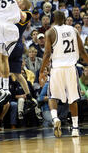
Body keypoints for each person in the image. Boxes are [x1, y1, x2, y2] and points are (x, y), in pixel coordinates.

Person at [40, 10, 88, 138]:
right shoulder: (74, 30)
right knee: (73, 99)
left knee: (52, 97)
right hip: (71, 68)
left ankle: (55, 118)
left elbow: (47, 54)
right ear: (65, 18)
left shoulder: (50, 32)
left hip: (56, 69)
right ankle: (75, 129)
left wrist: (41, 71)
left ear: (53, 19)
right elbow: (82, 51)